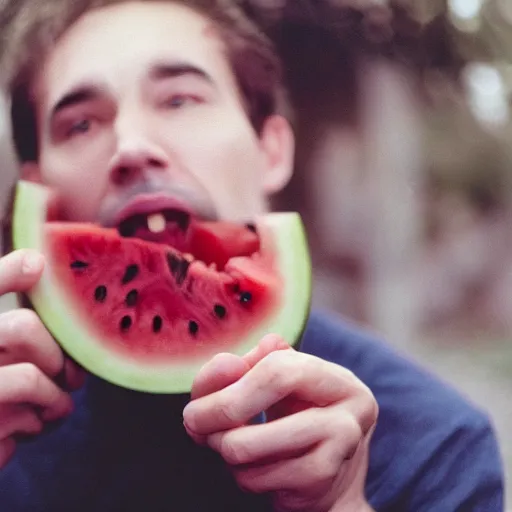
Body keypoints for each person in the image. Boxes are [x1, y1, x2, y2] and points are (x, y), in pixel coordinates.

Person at [0, 1, 504, 511]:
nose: (130, 146)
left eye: (179, 99)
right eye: (80, 125)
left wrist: (344, 505)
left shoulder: (437, 445)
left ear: (271, 150)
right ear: (38, 194)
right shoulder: (10, 437)